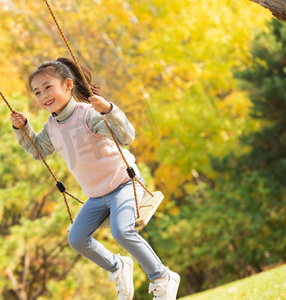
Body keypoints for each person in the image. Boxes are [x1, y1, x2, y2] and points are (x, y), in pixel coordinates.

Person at [10, 57, 180, 300]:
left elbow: (126, 136)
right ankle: (118, 266)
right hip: (97, 195)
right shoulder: (51, 127)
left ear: (68, 85)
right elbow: (39, 151)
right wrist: (23, 128)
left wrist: (110, 111)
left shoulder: (87, 115)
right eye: (37, 92)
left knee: (122, 231)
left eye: (48, 87)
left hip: (124, 184)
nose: (43, 95)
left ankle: (162, 276)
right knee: (77, 239)